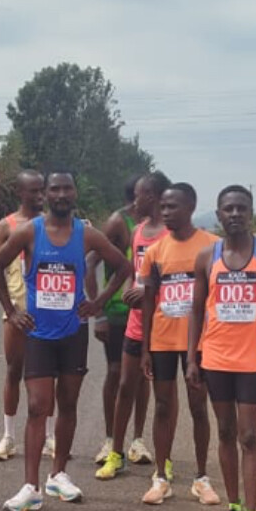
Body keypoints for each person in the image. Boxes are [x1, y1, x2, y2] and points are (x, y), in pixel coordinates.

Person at [0, 170, 132, 511]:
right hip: (39, 334)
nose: (62, 194)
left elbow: (123, 266)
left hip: (72, 333)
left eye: (68, 188)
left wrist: (99, 302)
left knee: (68, 404)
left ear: (75, 193)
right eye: (55, 189)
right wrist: (11, 311)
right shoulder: (29, 231)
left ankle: (58, 475)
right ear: (46, 194)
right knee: (39, 406)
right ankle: (30, 487)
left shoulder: (87, 234)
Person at [188, 185, 256, 511]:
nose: (235, 214)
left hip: (253, 360)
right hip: (215, 359)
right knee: (226, 432)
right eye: (228, 209)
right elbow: (196, 310)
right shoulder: (206, 257)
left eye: (241, 208)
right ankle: (232, 509)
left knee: (249, 437)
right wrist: (192, 358)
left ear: (251, 213)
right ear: (218, 215)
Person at [138, 183, 220, 505]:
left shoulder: (212, 246)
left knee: (199, 407)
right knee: (162, 407)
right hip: (162, 340)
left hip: (199, 342)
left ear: (191, 207)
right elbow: (148, 301)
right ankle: (161, 477)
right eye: (163, 206)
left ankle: (201, 478)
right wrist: (145, 348)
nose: (166, 212)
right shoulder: (156, 251)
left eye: (173, 206)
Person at [95, 171, 171, 480]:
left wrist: (150, 292)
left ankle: (153, 452)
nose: (135, 201)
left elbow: (177, 278)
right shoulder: (130, 228)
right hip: (128, 319)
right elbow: (131, 270)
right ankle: (114, 448)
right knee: (122, 381)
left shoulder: (172, 233)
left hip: (163, 322)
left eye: (139, 195)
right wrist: (110, 303)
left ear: (151, 196)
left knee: (156, 388)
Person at [87, 176, 152, 464]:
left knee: (144, 375)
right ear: (137, 196)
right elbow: (90, 263)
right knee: (116, 373)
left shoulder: (157, 227)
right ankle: (110, 440)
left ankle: (138, 440)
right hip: (117, 312)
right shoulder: (118, 222)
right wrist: (99, 311)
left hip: (148, 312)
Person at [0, 169, 48, 462]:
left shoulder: (51, 224)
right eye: (33, 191)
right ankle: (8, 437)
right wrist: (10, 311)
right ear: (19, 193)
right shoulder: (6, 226)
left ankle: (49, 437)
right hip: (17, 311)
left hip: (46, 310)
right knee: (13, 370)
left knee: (48, 374)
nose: (39, 196)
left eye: (41, 190)